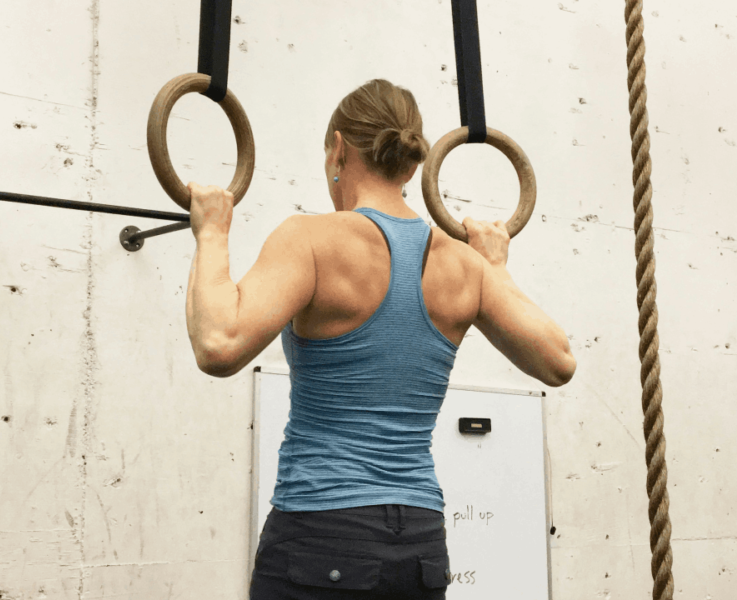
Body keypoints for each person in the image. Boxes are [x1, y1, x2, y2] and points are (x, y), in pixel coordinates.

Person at [185, 79, 576, 600]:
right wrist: (495, 268)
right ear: (413, 165)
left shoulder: (311, 240)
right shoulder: (465, 268)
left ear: (339, 149)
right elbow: (560, 362)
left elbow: (217, 343)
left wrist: (212, 233)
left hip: (321, 533)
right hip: (419, 547)